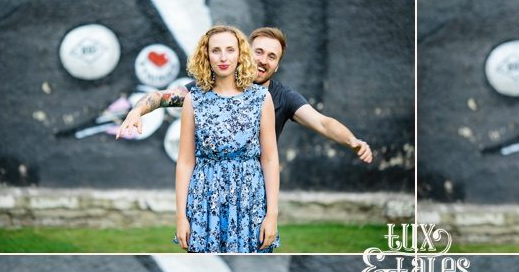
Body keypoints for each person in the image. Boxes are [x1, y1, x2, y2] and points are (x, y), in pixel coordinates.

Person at [116, 27, 373, 164]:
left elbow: (323, 122)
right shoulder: (209, 87)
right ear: (245, 53)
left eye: (272, 57)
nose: (263, 61)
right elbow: (162, 97)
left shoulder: (281, 97)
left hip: (254, 189)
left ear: (278, 65)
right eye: (258, 52)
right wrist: (137, 111)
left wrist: (352, 141)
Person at [175, 25, 279, 253]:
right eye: (216, 50)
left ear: (240, 54)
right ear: (206, 56)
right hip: (205, 201)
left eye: (230, 50)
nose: (223, 57)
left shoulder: (261, 98)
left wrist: (272, 215)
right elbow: (185, 162)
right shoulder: (194, 100)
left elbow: (270, 160)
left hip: (249, 200)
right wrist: (181, 216)